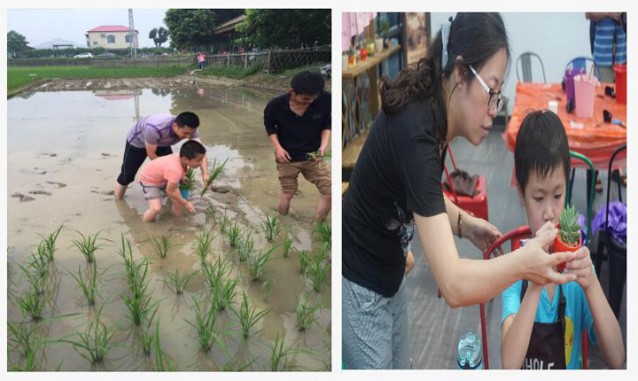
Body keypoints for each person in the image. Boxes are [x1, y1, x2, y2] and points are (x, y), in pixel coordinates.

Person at [342, 13, 580, 369]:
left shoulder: (432, 116)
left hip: (389, 272)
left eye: (499, 96)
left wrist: (465, 224)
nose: (494, 110)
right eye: (492, 91)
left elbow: (422, 197)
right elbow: (452, 285)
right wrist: (525, 264)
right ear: (459, 73)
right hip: (361, 284)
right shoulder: (416, 131)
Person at [501, 110, 625, 369]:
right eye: (538, 198)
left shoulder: (577, 271)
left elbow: (617, 357)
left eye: (558, 195)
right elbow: (509, 365)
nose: (549, 212)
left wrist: (591, 284)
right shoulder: (513, 269)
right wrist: (534, 281)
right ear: (521, 194)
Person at [263, 71, 331, 222]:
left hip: (313, 157)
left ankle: (318, 227)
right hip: (287, 157)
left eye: (314, 98)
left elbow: (327, 123)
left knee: (329, 192)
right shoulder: (275, 106)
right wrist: (278, 148)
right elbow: (270, 127)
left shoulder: (326, 100)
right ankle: (282, 224)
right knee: (288, 193)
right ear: (292, 92)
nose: (310, 102)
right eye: (305, 99)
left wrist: (324, 145)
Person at [114, 112, 209, 200]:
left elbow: (200, 151)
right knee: (128, 175)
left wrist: (205, 174)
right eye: (185, 133)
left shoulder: (191, 130)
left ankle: (172, 199)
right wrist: (171, 173)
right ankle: (118, 200)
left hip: (161, 142)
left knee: (175, 170)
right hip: (138, 142)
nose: (189, 137)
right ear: (175, 126)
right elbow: (151, 154)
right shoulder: (155, 128)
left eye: (191, 133)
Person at [585, 12, 627, 192]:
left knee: (620, 117)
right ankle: (594, 171)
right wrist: (610, 12)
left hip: (624, 57)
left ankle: (616, 166)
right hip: (602, 57)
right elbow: (589, 13)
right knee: (599, 116)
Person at [138, 140, 206, 222]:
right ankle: (145, 224)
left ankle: (177, 219)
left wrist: (182, 177)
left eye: (202, 160)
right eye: (198, 160)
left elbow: (173, 173)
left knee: (177, 200)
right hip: (149, 180)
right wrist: (186, 203)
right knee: (156, 208)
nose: (201, 163)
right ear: (185, 159)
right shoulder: (175, 170)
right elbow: (170, 191)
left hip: (163, 177)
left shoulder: (180, 160)